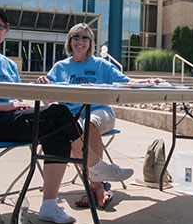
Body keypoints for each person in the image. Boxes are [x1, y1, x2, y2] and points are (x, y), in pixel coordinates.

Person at [0, 7, 133, 224]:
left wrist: (24, 100)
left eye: (0, 26)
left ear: (6, 31)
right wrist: (3, 107)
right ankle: (96, 167)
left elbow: (17, 98)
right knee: (60, 113)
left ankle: (49, 206)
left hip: (9, 119)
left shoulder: (8, 64)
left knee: (57, 130)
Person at [37, 22, 164, 208]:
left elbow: (126, 81)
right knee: (69, 131)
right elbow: (45, 95)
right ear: (69, 41)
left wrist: (149, 80)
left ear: (91, 43)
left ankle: (94, 185)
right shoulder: (60, 67)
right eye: (76, 37)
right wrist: (43, 83)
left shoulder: (100, 65)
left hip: (100, 112)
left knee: (89, 123)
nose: (80, 41)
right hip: (72, 117)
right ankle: (97, 186)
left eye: (85, 38)